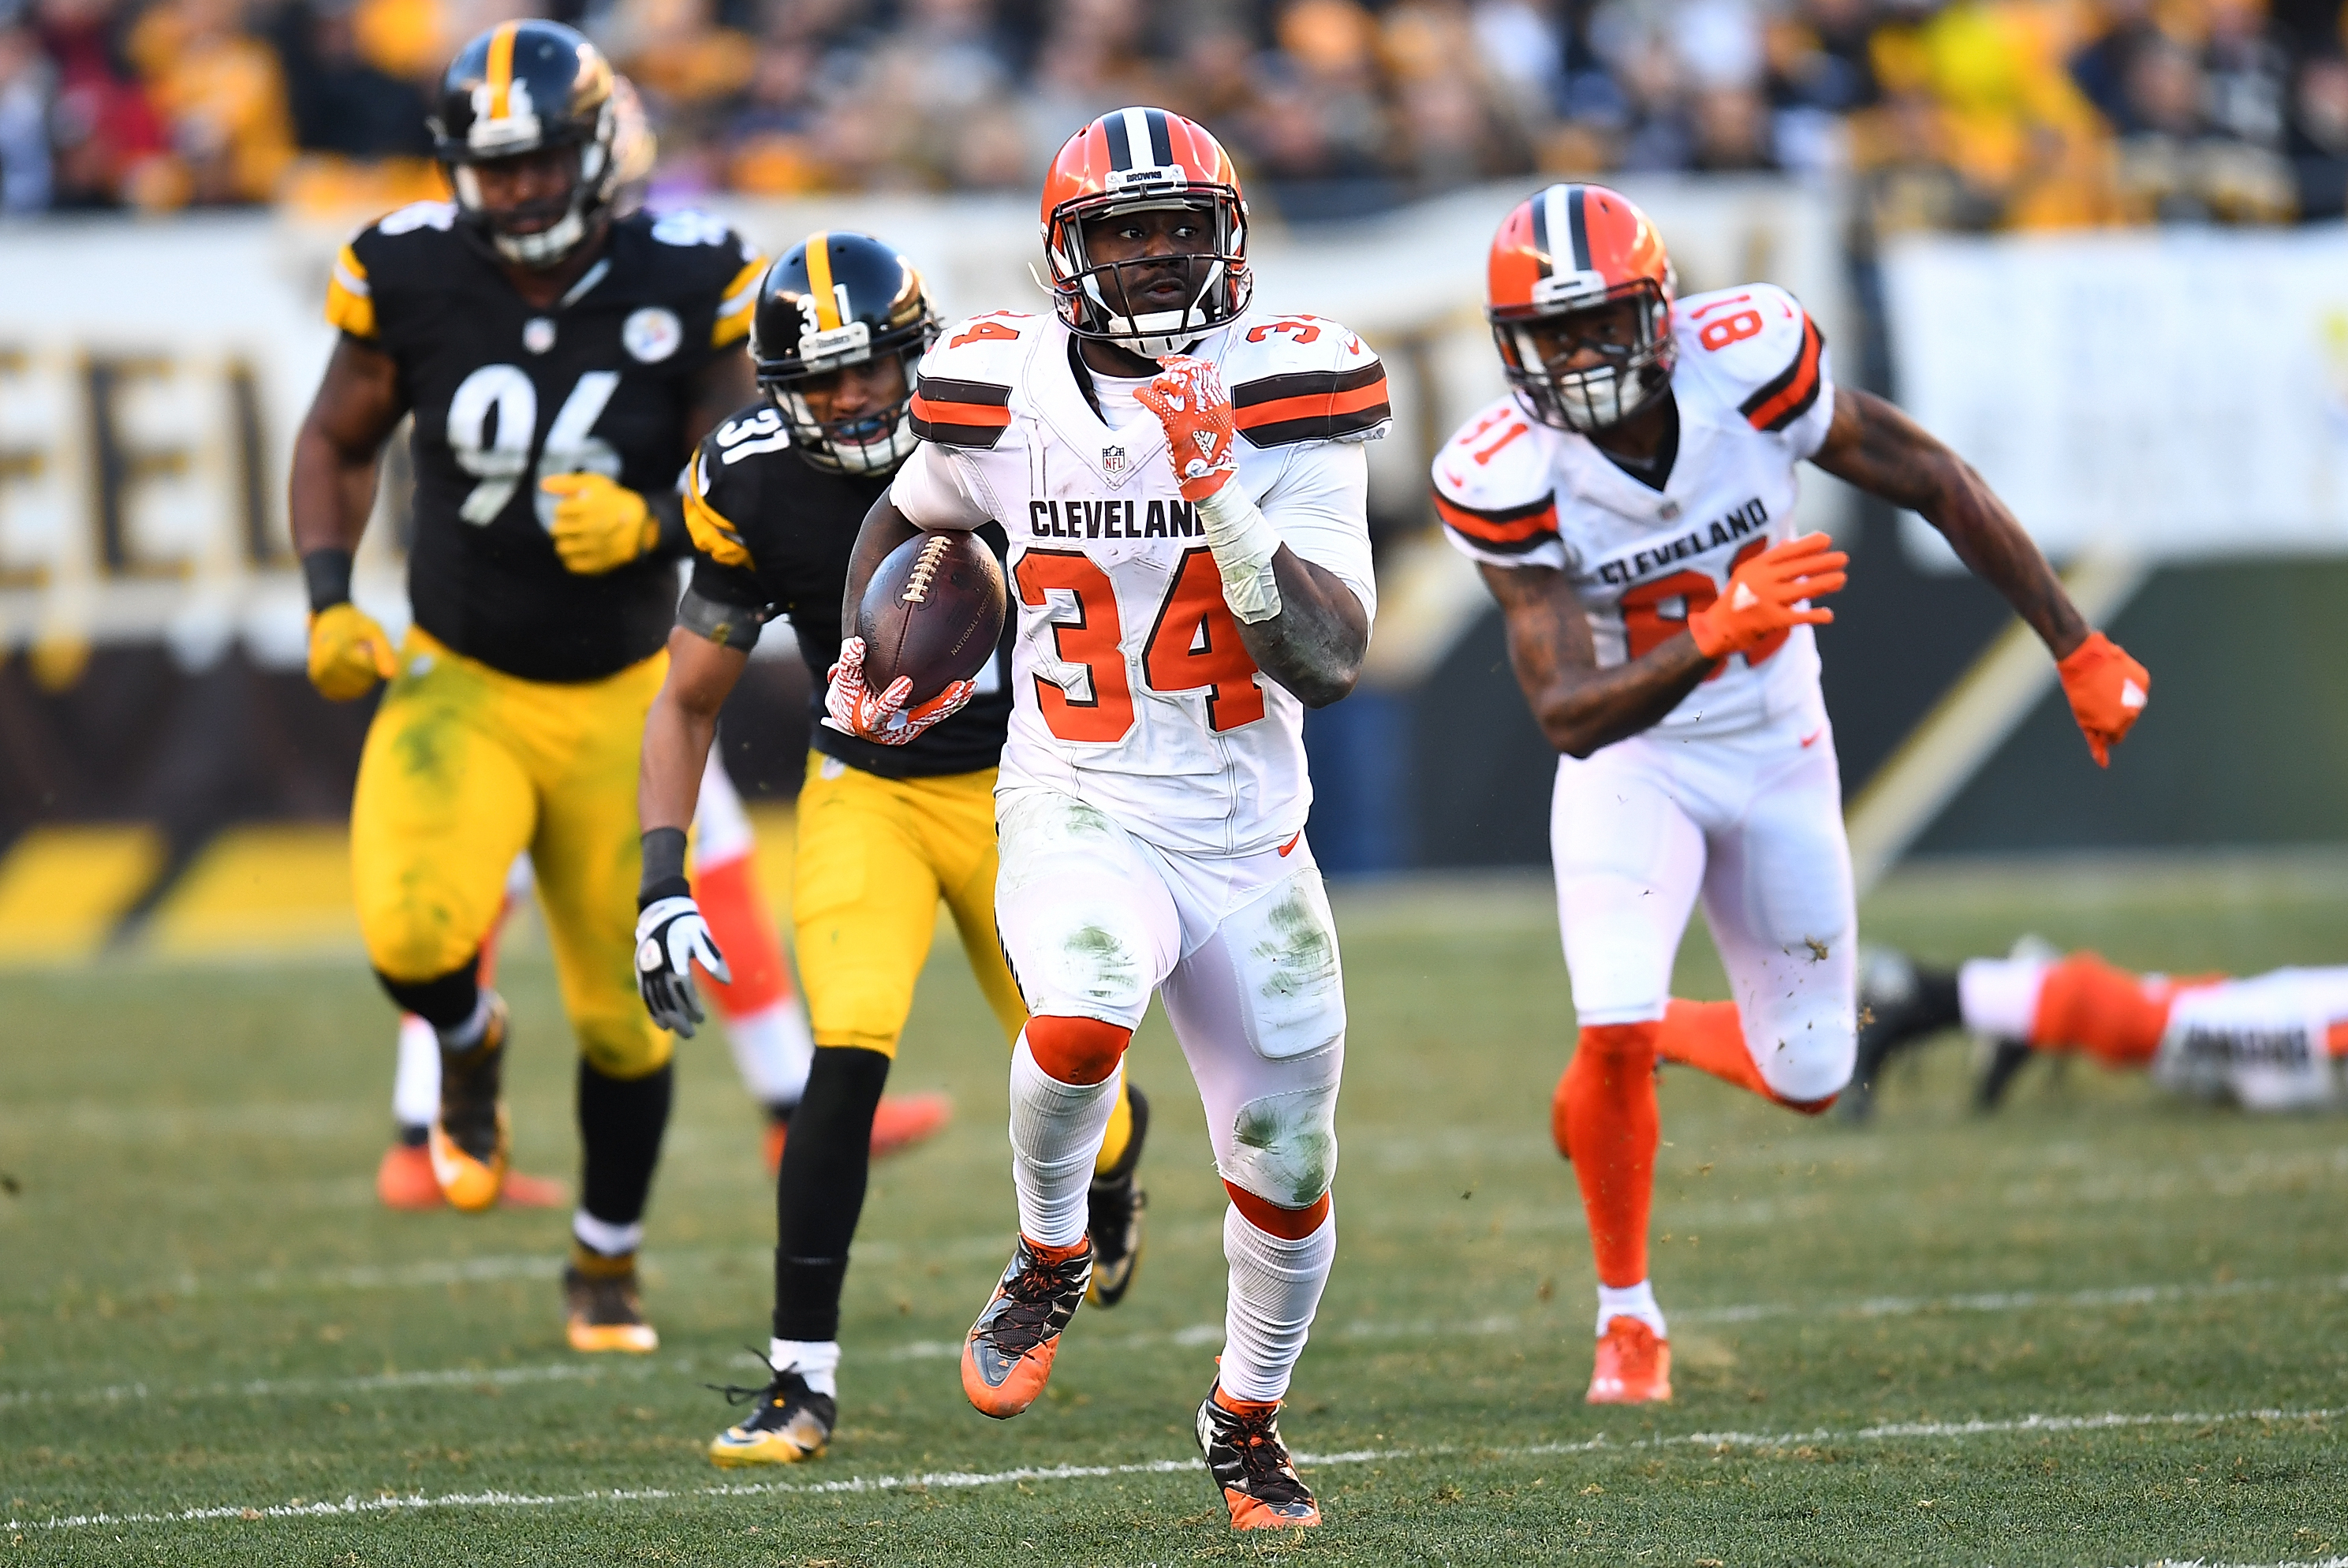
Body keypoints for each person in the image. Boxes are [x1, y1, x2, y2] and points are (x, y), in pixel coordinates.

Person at [1432, 182, 2152, 1406]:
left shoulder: (1748, 362)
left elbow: (1934, 478)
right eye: (1552, 335)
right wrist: (1717, 627)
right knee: (1605, 1015)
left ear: (1661, 313)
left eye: (1601, 322)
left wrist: (2073, 642)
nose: (1581, 356)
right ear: (1509, 350)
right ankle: (1626, 1316)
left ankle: (1635, 1038)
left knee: (1812, 1078)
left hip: (1776, 749)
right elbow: (1568, 713)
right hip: (1634, 767)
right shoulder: (1503, 470)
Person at [830, 109, 1388, 1531]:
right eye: (1121, 231)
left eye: (1176, 227)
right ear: (1066, 257)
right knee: (1075, 1017)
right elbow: (903, 521)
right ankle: (1047, 1252)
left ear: (1229, 237)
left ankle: (1243, 1417)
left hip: (1249, 835)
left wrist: (1214, 485)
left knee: (1291, 1162)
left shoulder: (1293, 389)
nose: (1151, 257)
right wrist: (868, 649)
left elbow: (1324, 658)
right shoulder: (995, 386)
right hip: (1075, 795)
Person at [629, 231, 1154, 1468]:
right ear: (777, 392)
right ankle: (798, 1383)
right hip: (866, 787)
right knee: (844, 1061)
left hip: (1033, 788)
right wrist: (662, 876)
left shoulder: (1010, 419)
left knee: (1073, 1066)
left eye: (871, 371)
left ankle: (1119, 1178)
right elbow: (686, 695)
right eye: (822, 383)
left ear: (918, 353)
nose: (853, 400)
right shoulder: (747, 479)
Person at [288, 18, 763, 1353]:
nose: (511, 192)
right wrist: (328, 600)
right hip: (463, 676)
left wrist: (657, 525)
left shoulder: (688, 271)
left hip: (623, 697)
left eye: (537, 162)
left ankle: (604, 1257)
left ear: (596, 151)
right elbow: (332, 438)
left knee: (631, 1023)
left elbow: (749, 470)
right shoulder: (410, 271)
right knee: (409, 935)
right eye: (488, 169)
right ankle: (470, 1034)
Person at [372, 751, 950, 1208]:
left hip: (585, 661)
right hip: (563, 674)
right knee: (482, 882)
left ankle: (795, 1110)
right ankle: (425, 1139)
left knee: (708, 840)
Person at [1852, 943, 2348, 1114]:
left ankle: (2029, 994)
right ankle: (1917, 991)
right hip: (2314, 1021)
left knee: (2166, 1021)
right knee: (2148, 1021)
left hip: (2308, 1031)